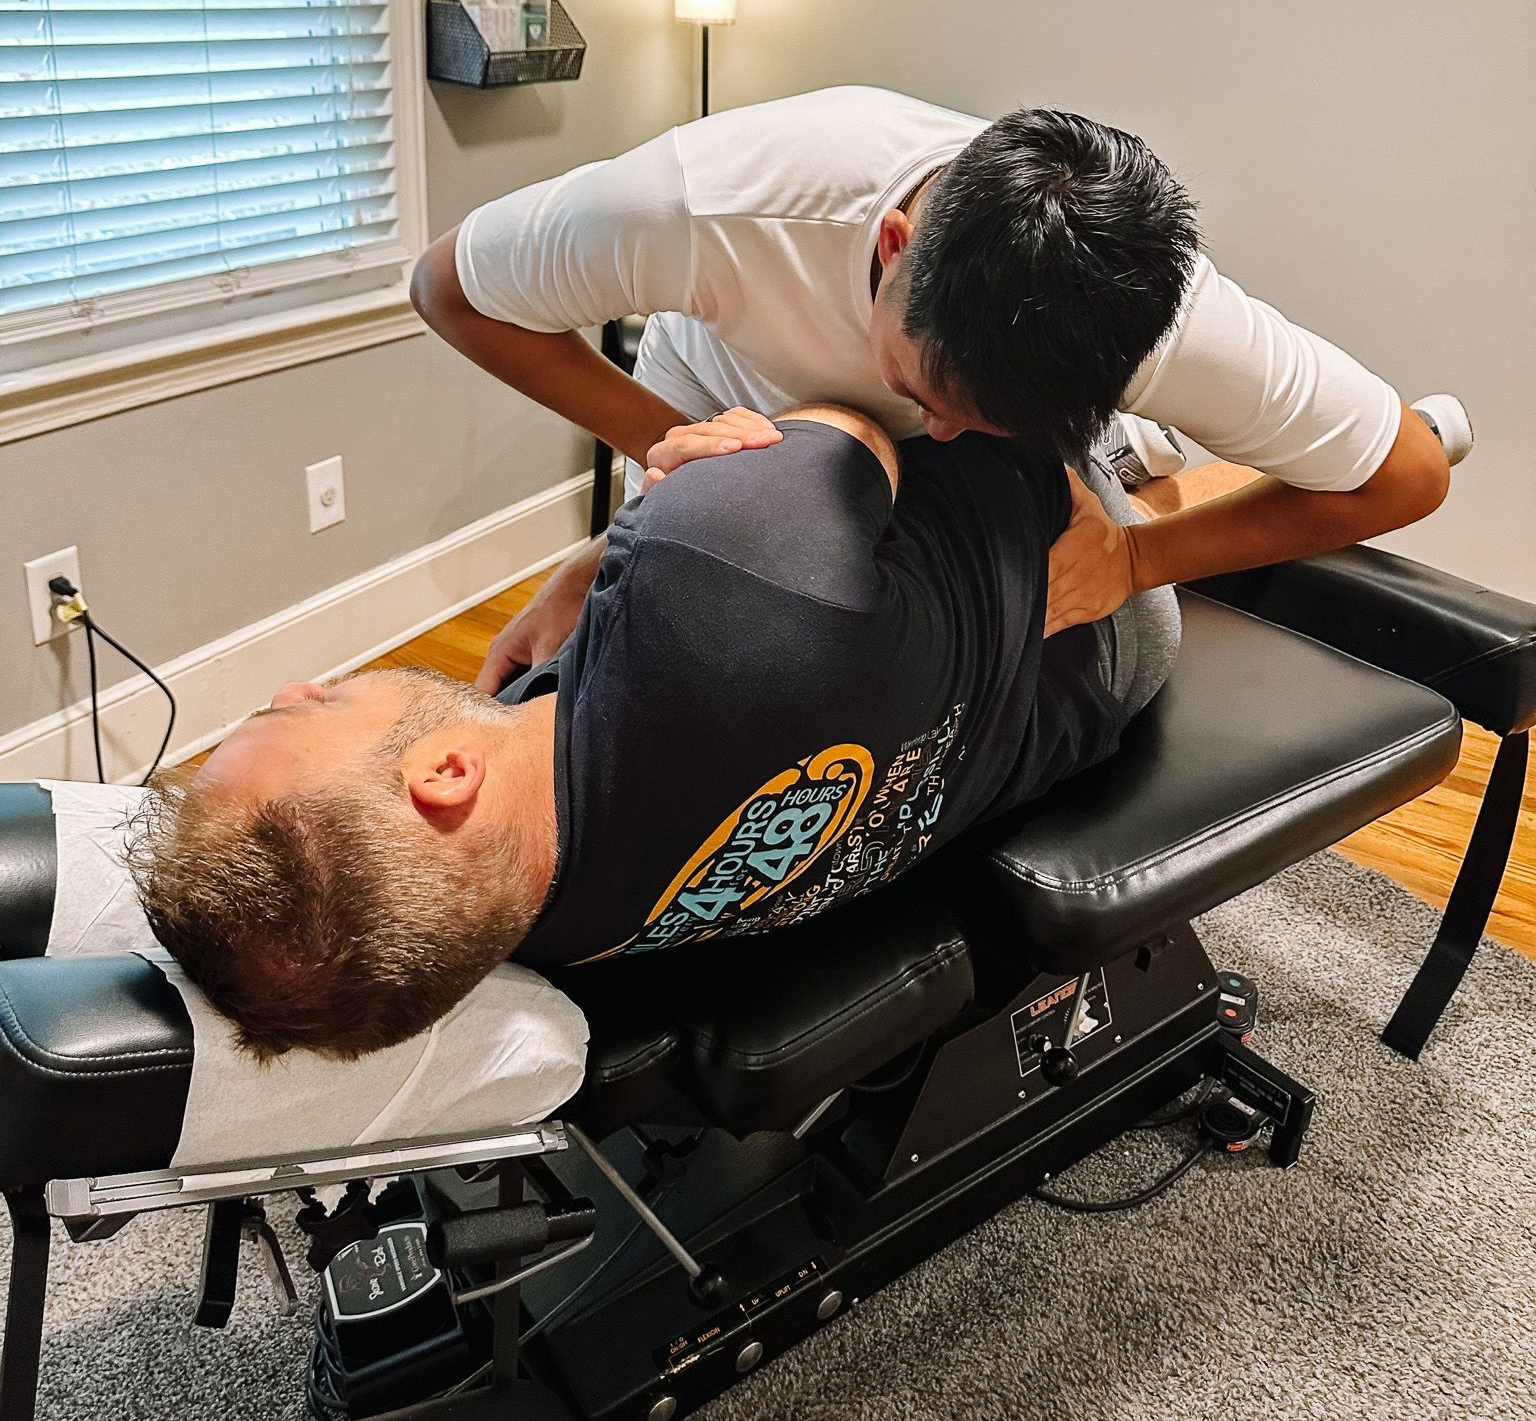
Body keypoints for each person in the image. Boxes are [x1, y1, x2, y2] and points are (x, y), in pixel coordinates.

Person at [132, 408, 1165, 1062]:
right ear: (446, 772)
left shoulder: (499, 923)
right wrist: (649, 528)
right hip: (1089, 608)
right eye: (290, 716)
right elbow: (864, 415)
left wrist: (601, 565)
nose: (300, 684)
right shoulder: (718, 568)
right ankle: (1129, 445)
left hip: (1009, 702)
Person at [408, 92, 1451, 709]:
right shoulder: (704, 206)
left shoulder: (1169, 321)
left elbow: (1407, 470)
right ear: (894, 250)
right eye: (922, 390)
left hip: (1001, 481)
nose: (937, 425)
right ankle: (1126, 457)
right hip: (734, 407)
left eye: (980, 419)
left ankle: (1119, 464)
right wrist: (661, 462)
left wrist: (1138, 557)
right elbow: (447, 287)